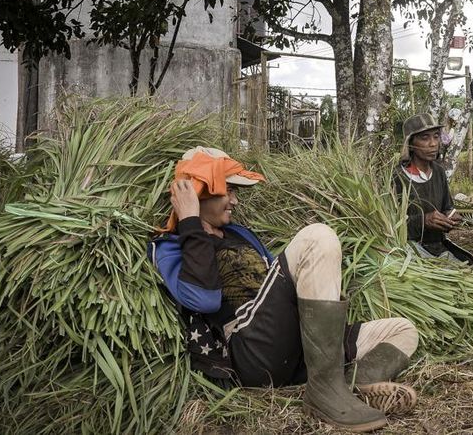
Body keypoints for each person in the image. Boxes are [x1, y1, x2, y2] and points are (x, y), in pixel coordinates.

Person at [150, 147, 419, 433]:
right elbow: (202, 299)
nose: (235, 200)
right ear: (198, 191)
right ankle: (326, 393)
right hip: (252, 350)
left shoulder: (238, 233)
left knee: (403, 330)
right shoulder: (171, 245)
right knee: (317, 237)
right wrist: (190, 220)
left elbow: (277, 277)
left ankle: (352, 385)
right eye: (227, 190)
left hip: (295, 347)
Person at [393, 113, 473, 269]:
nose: (433, 144)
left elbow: (448, 207)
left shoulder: (438, 172)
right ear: (410, 144)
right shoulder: (396, 177)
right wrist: (424, 220)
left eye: (436, 136)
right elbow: (390, 224)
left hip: (437, 246)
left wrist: (452, 217)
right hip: (409, 250)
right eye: (425, 138)